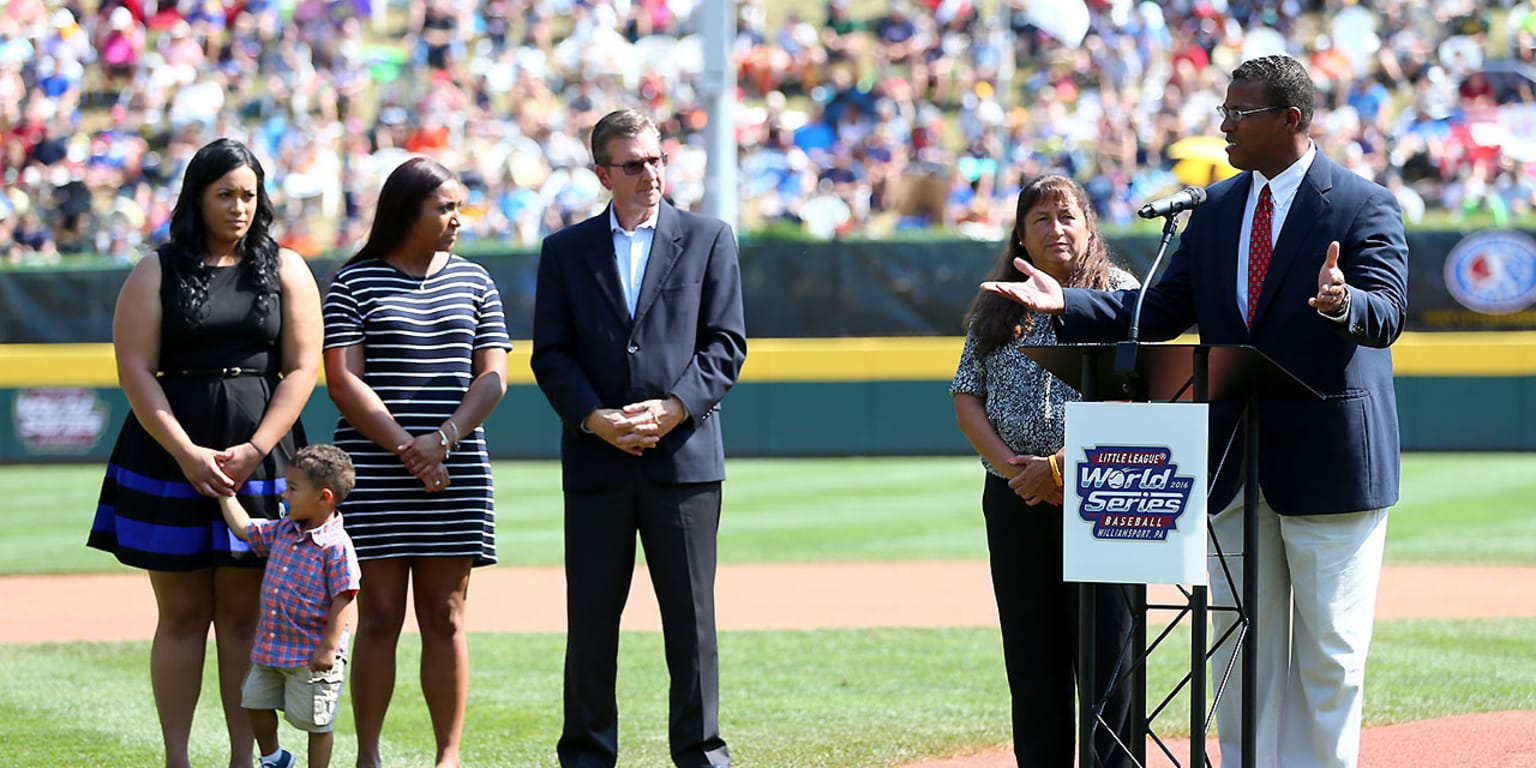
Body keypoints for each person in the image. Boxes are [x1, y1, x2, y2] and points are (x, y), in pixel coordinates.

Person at [981, 55, 1408, 768]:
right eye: (1224, 110)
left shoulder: (1362, 204)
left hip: (1331, 462)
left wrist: (1343, 302)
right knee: (1239, 652)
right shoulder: (1213, 211)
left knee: (1330, 654)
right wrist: (1069, 304)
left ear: (1291, 119)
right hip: (1234, 462)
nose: (1224, 124)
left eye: (1239, 114)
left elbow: (1388, 311)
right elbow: (1157, 311)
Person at [87, 137, 322, 768]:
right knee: (182, 616)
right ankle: (177, 758)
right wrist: (188, 451)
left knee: (246, 619)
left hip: (264, 461)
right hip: (168, 457)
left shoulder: (288, 268)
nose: (239, 207)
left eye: (248, 195)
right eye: (225, 194)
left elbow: (302, 370)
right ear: (197, 197)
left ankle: (244, 761)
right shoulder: (155, 269)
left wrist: (255, 448)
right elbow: (135, 370)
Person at [531, 108, 746, 768]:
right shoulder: (564, 250)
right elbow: (551, 354)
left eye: (656, 159)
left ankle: (702, 755)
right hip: (598, 462)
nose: (650, 173)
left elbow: (726, 344)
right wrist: (594, 418)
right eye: (633, 164)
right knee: (592, 625)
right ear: (603, 174)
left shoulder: (709, 237)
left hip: (683, 462)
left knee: (692, 626)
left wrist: (675, 408)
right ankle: (588, 757)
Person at [321, 156, 511, 768]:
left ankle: (447, 757)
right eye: (445, 208)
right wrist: (410, 447)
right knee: (377, 616)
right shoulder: (353, 283)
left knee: (446, 615)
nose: (458, 219)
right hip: (375, 473)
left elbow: (494, 378)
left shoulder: (477, 281)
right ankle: (369, 755)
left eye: (459, 206)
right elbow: (344, 383)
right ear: (408, 212)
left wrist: (443, 442)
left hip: (454, 472)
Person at [951, 174, 1140, 768]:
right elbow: (966, 395)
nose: (1055, 229)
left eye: (1067, 216)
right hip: (1016, 498)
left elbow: (1137, 395)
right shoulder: (997, 298)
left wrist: (1060, 468)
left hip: (1104, 491)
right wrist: (1014, 471)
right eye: (1041, 219)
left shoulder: (1120, 292)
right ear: (1020, 236)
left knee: (1110, 658)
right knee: (1033, 660)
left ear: (1089, 226)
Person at [216, 444, 361, 768]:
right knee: (254, 701)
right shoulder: (284, 530)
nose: (283, 495)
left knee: (316, 721)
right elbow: (246, 530)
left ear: (324, 497)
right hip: (271, 646)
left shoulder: (336, 546)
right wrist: (225, 494)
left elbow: (344, 597)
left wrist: (329, 647)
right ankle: (274, 758)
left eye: (293, 489)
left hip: (312, 651)